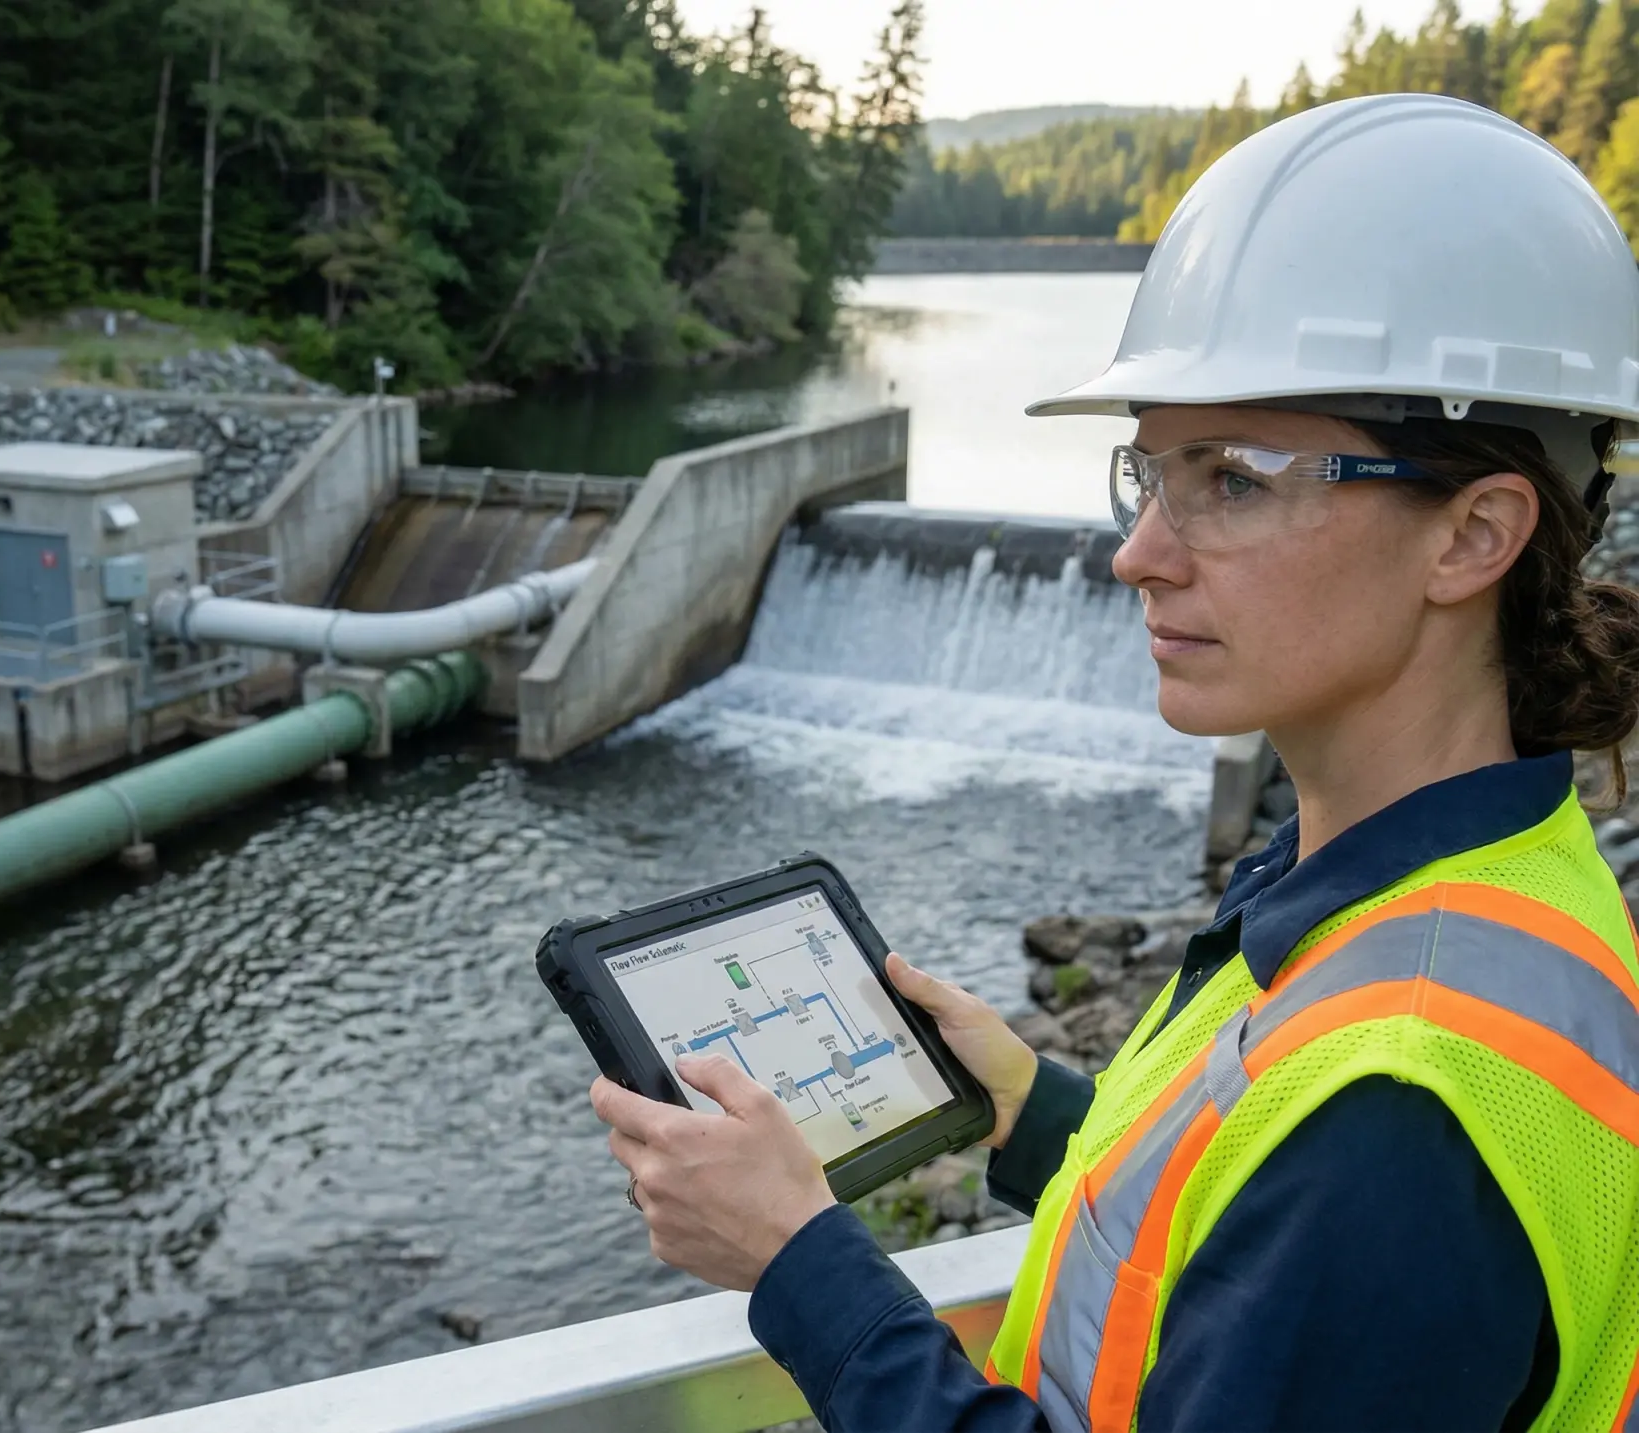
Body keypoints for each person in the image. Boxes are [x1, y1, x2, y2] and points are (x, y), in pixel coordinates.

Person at [590, 92, 1639, 1432]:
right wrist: (1029, 1111)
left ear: (1473, 535)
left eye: (1234, 479)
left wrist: (799, 1265)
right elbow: (1244, 1232)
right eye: (1148, 477)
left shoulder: (1399, 1113)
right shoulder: (1469, 881)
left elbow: (1332, 1209)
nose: (1137, 556)